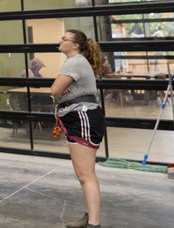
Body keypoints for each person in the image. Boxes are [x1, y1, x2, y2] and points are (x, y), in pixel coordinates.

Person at [50, 30, 105, 228]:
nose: (60, 40)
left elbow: (54, 90)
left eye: (64, 39)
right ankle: (89, 217)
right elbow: (57, 91)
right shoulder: (76, 62)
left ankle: (93, 224)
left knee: (85, 175)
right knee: (85, 174)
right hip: (79, 116)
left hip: (82, 117)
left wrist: (59, 92)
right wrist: (60, 92)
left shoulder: (74, 62)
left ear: (75, 45)